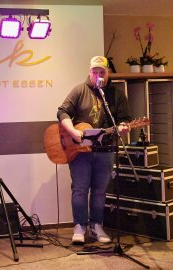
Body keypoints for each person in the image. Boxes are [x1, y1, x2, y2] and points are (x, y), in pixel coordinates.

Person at [57, 56, 131, 244]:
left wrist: (124, 127)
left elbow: (124, 119)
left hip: (105, 151)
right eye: (95, 71)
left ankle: (97, 225)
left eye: (102, 72)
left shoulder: (116, 95)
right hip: (80, 152)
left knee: (100, 191)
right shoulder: (79, 91)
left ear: (108, 73)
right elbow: (62, 111)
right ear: (89, 72)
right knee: (80, 189)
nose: (98, 75)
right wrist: (73, 132)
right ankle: (79, 227)